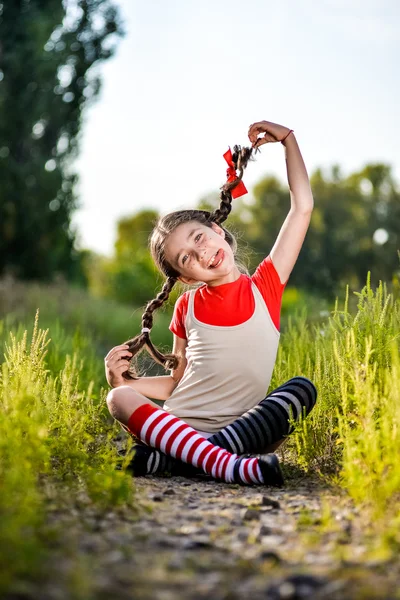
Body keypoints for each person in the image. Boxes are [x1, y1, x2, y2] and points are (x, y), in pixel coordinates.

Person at [105, 120, 317, 487]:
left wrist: (289, 141)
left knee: (301, 391)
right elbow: (176, 383)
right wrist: (123, 382)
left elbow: (302, 207)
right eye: (186, 259)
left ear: (217, 230)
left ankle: (186, 460)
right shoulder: (187, 308)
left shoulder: (265, 285)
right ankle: (225, 465)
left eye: (199, 238)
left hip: (245, 430)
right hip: (183, 425)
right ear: (186, 277)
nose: (201, 253)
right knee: (118, 399)